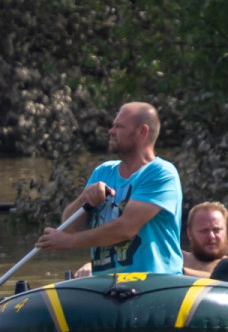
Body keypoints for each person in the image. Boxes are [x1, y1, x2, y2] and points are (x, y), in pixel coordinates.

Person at [37, 102, 183, 277]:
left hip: (152, 283)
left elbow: (125, 228)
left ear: (142, 132)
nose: (111, 131)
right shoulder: (103, 172)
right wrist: (85, 197)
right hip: (105, 285)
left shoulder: (161, 173)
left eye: (119, 126)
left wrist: (69, 242)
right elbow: (68, 226)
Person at [182, 201, 228, 281]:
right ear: (190, 234)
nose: (211, 236)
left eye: (217, 230)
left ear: (226, 231)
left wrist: (182, 273)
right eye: (204, 231)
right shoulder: (178, 259)